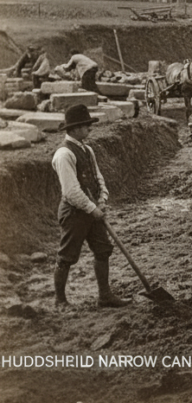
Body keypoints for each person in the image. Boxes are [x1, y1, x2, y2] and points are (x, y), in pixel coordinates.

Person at [51, 105, 128, 309]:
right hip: (74, 213)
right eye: (86, 125)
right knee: (67, 256)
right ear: (75, 128)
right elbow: (71, 191)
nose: (89, 128)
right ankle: (60, 300)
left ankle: (105, 296)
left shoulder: (88, 150)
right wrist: (92, 209)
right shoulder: (64, 154)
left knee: (103, 250)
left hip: (93, 209)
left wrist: (102, 199)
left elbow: (97, 177)